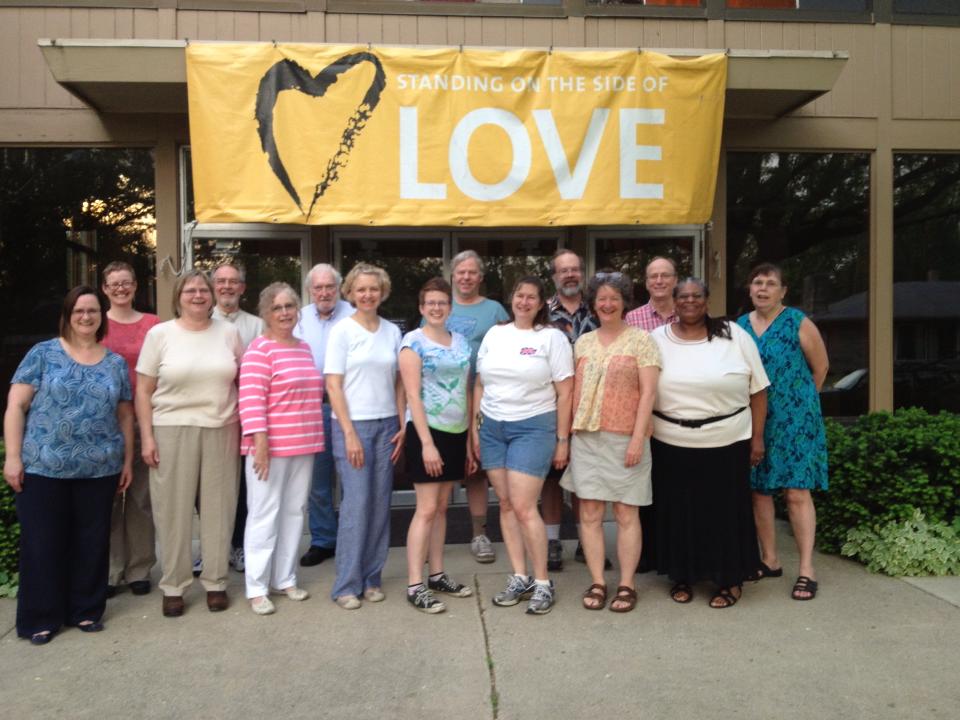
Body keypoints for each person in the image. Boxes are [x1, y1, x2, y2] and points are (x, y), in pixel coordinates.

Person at [4, 286, 133, 644]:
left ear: (101, 317)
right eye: (79, 311)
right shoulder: (42, 355)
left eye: (93, 311)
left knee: (92, 542)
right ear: (68, 315)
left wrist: (126, 461)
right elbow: (16, 406)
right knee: (42, 543)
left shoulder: (114, 362)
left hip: (100, 469)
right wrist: (13, 457)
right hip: (44, 467)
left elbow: (125, 416)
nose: (86, 317)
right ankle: (41, 617)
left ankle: (86, 610)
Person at [650, 277, 768, 609]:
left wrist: (757, 438)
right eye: (683, 296)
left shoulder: (735, 336)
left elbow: (758, 390)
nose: (690, 301)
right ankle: (682, 575)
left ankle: (729, 579)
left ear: (707, 300)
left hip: (727, 440)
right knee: (680, 513)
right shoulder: (656, 339)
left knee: (724, 514)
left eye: (696, 296)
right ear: (673, 301)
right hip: (670, 442)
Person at [136, 270, 243, 617]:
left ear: (212, 297)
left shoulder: (229, 333)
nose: (197, 295)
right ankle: (174, 585)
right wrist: (147, 437)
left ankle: (215, 582)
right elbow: (143, 390)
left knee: (219, 509)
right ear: (178, 296)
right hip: (171, 428)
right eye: (190, 290)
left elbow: (245, 381)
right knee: (173, 512)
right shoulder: (160, 334)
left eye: (203, 290)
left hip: (221, 428)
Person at [472, 276, 573, 615]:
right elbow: (480, 382)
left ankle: (543, 581)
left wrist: (562, 440)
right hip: (493, 427)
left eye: (532, 297)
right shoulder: (495, 334)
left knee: (525, 505)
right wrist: (475, 427)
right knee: (505, 503)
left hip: (533, 426)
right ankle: (519, 575)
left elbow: (566, 392)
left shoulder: (551, 338)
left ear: (542, 303)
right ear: (511, 299)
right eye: (519, 295)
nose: (524, 301)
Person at [560, 271, 660, 612]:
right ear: (593, 304)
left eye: (613, 298)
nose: (607, 304)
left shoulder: (641, 340)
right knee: (588, 512)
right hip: (587, 438)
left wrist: (637, 438)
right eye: (601, 299)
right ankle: (599, 581)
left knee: (625, 511)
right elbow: (571, 392)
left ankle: (627, 584)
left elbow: (648, 393)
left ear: (624, 303)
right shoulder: (582, 343)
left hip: (624, 438)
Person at [737, 262, 829, 601]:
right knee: (759, 491)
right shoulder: (740, 327)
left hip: (797, 421)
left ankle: (806, 569)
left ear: (783, 290)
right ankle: (770, 559)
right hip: (755, 420)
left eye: (770, 283)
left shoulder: (798, 322)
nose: (763, 289)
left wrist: (800, 404)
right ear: (749, 289)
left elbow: (821, 368)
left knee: (796, 493)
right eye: (757, 282)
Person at [239, 282, 324, 615]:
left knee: (293, 512)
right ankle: (257, 587)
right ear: (265, 313)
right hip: (269, 449)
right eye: (277, 308)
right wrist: (259, 442)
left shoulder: (303, 348)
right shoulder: (259, 350)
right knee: (263, 514)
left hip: (304, 443)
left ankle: (285, 578)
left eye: (290, 306)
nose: (285, 313)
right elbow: (250, 400)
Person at [325, 263, 404, 609]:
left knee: (379, 506)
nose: (367, 294)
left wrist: (403, 424)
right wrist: (349, 434)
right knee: (356, 505)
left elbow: (399, 382)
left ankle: (372, 578)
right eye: (361, 289)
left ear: (382, 292)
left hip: (387, 424)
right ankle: (346, 584)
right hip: (352, 426)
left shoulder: (391, 331)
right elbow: (333, 384)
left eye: (373, 289)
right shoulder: (342, 330)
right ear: (351, 293)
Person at [400, 277, 475, 613]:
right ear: (421, 307)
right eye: (430, 303)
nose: (436, 308)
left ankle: (437, 573)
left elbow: (467, 388)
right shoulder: (411, 342)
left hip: (456, 431)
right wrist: (427, 444)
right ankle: (415, 584)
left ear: (449, 306)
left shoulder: (460, 341)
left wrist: (471, 437)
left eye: (442, 302)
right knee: (427, 508)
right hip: (426, 432)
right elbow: (412, 394)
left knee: (443, 508)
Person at [445, 250, 508, 564]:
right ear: (453, 276)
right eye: (461, 272)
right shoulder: (441, 305)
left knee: (477, 471)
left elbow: (508, 349)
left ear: (480, 277)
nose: (466, 277)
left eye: (472, 272)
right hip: (444, 402)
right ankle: (431, 536)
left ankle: (479, 533)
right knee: (440, 471)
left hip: (485, 400)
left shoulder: (494, 310)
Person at [101, 261, 160, 597]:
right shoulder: (95, 323)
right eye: (114, 284)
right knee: (107, 499)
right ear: (105, 289)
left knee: (140, 498)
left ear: (136, 286)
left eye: (126, 282)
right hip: (104, 422)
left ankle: (139, 568)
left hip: (144, 420)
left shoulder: (153, 325)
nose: (121, 288)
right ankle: (111, 570)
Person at [294, 263, 353, 568]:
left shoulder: (354, 315)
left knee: (351, 477)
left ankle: (352, 538)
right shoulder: (298, 319)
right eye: (318, 287)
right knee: (317, 481)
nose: (324, 292)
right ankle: (323, 540)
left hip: (349, 406)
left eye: (329, 286)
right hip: (312, 407)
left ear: (339, 288)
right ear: (310, 290)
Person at [543, 249, 598, 572]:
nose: (570, 275)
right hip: (551, 407)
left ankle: (584, 541)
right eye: (563, 270)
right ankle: (552, 541)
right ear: (554, 277)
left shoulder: (600, 309)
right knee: (551, 479)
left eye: (575, 269)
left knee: (585, 479)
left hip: (592, 406)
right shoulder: (543, 313)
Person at [625, 256, 679, 573]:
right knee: (642, 484)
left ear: (674, 280)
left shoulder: (688, 314)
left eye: (665, 276)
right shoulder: (632, 319)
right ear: (646, 283)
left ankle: (668, 548)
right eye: (653, 276)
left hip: (677, 411)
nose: (659, 281)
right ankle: (644, 552)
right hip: (642, 413)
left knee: (670, 484)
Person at [211, 262, 264, 575]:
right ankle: (214, 548)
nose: (227, 287)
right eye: (221, 281)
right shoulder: (201, 320)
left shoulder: (256, 325)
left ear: (242, 288)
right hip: (213, 414)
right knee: (212, 486)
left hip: (245, 416)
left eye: (233, 282)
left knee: (243, 487)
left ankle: (241, 546)